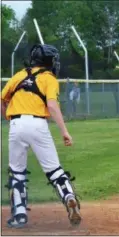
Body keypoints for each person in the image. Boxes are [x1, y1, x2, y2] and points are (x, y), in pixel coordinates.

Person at [1, 44, 82, 228]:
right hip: (37, 124)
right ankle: (69, 196)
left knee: (17, 171)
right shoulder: (49, 78)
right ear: (48, 62)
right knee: (54, 170)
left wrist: (9, 118)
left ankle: (19, 215)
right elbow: (52, 106)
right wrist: (64, 132)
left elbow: (2, 98)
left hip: (16, 123)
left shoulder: (20, 75)